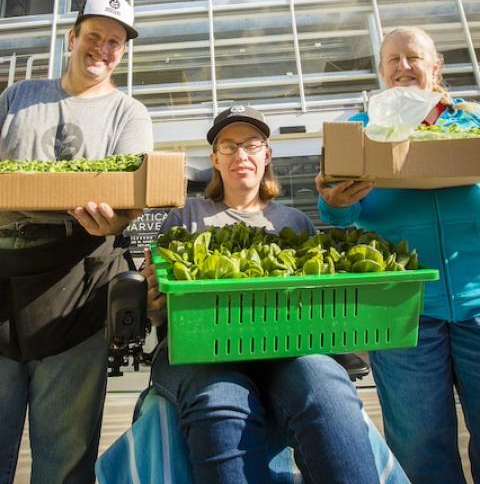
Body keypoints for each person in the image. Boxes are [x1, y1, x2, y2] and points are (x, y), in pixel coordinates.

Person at [143, 103, 408, 484]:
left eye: (252, 144)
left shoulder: (294, 222)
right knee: (221, 401)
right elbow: (160, 309)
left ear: (267, 155)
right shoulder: (184, 217)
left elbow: (320, 308)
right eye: (229, 146)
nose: (241, 155)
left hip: (286, 350)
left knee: (326, 388)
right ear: (215, 159)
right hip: (199, 352)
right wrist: (153, 306)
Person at [0, 0, 154, 484]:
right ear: (72, 38)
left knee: (64, 460)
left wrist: (116, 222)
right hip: (2, 280)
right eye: (94, 36)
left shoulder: (129, 114)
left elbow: (133, 196)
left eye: (114, 42)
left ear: (122, 52)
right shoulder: (18, 97)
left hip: (77, 292)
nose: (103, 49)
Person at [316, 26, 480, 484]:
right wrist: (334, 198)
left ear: (436, 66)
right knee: (419, 442)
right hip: (402, 309)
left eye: (414, 57)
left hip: (478, 299)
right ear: (382, 70)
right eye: (393, 59)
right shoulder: (360, 129)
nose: (404, 67)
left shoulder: (469, 124)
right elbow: (338, 211)